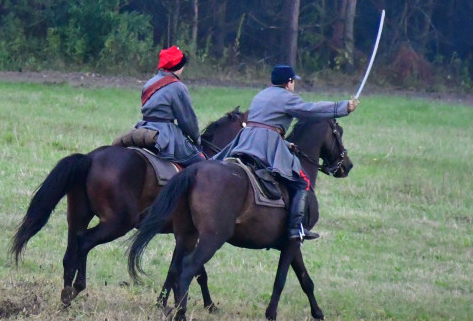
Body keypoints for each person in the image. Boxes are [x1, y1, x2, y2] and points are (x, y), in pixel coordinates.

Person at [215, 64, 358, 242]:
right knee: (301, 181)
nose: (293, 85)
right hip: (266, 144)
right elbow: (310, 110)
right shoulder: (287, 98)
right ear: (289, 82)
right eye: (293, 81)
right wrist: (344, 107)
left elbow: (265, 121)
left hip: (245, 141)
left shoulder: (261, 94)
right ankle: (295, 228)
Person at [134, 45, 205, 167]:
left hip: (144, 127)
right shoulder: (178, 87)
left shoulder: (150, 82)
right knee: (201, 164)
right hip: (165, 133)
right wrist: (196, 139)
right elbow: (187, 120)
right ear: (178, 66)